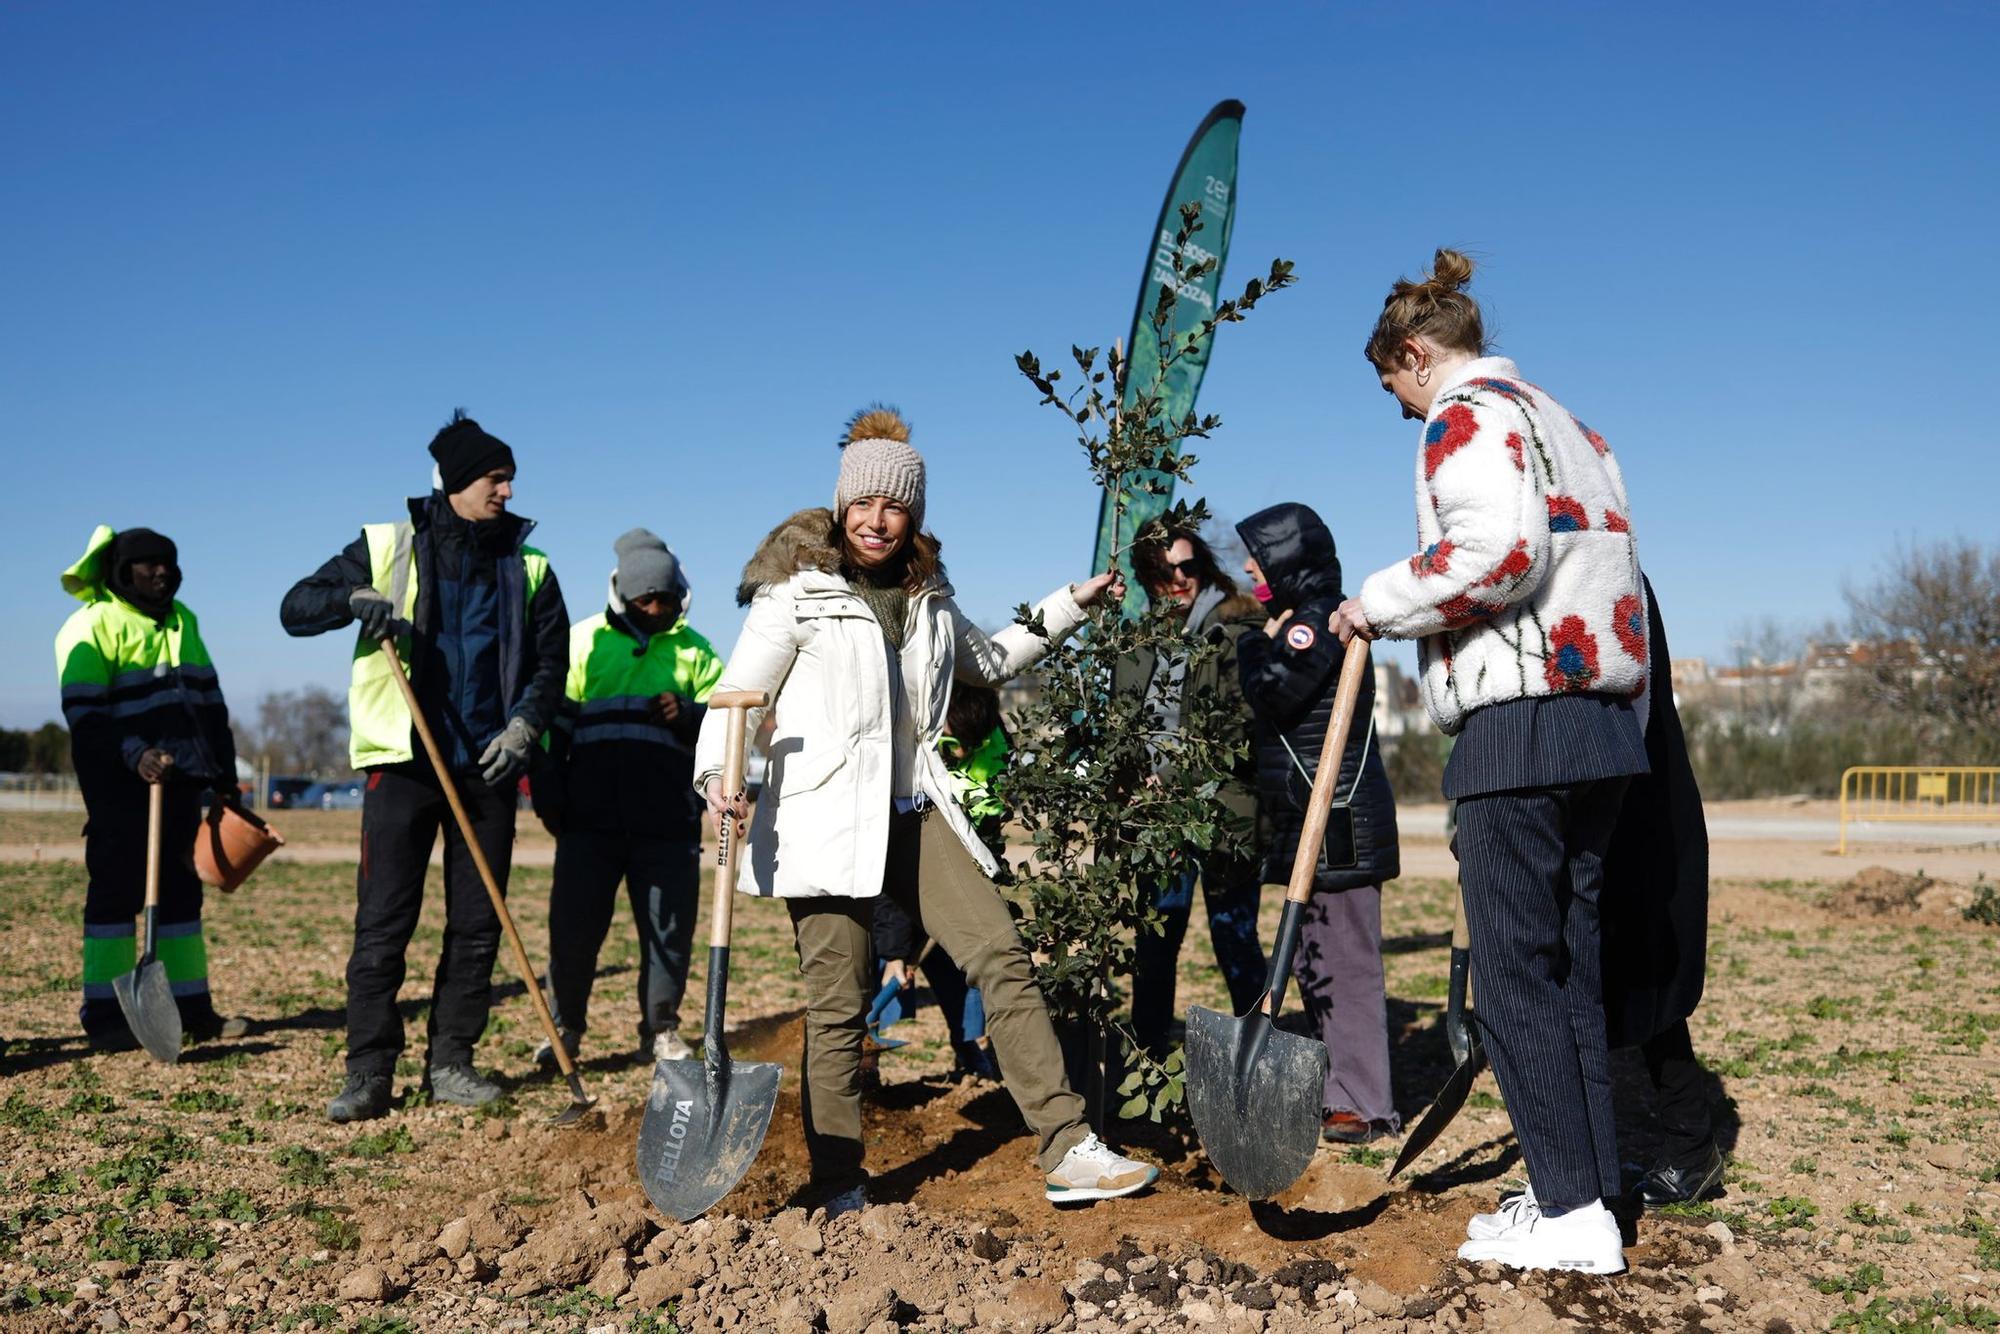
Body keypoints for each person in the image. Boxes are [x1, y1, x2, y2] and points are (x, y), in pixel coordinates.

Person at [693, 406, 1157, 1213]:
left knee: (1001, 955)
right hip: (825, 816)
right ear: (842, 507)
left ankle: (1067, 1147)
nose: (878, 521)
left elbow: (992, 660)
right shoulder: (797, 597)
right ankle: (838, 1181)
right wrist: (714, 779)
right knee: (838, 1008)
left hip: (913, 809)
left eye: (895, 506)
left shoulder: (932, 597)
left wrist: (1071, 604)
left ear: (915, 515)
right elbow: (734, 701)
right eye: (864, 504)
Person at [1332, 249, 1649, 1274]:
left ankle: (1566, 1213)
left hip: (1518, 722)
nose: (1399, 406)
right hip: (1599, 722)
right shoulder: (1569, 422)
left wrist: (1372, 604)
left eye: (1394, 385)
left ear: (1415, 353)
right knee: (1569, 970)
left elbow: (1497, 554)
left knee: (1512, 976)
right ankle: (1587, 1189)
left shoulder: (1464, 415)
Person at [281, 411, 568, 1122]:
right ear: (457, 482)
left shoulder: (530, 565)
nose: (506, 491)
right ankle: (370, 1071)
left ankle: (452, 1063)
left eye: (509, 479)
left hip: (488, 768)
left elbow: (550, 662)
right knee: (383, 922)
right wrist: (352, 600)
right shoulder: (386, 546)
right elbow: (296, 607)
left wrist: (526, 726)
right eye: (495, 479)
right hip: (403, 762)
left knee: (478, 924)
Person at [1232, 503, 1401, 1144]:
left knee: (1345, 963)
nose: (1248, 565)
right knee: (1315, 961)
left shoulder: (1316, 623)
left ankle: (1364, 1101)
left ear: (1288, 561)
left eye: (1259, 555)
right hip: (1308, 816)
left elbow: (1272, 690)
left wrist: (1253, 642)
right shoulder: (1305, 618)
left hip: (1337, 819)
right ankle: (1342, 1090)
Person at [533, 528, 723, 1067]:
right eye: (646, 598)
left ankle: (659, 1030)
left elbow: (732, 723)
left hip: (667, 823)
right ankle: (564, 1030)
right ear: (623, 593)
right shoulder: (582, 643)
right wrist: (550, 794)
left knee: (668, 935)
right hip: (588, 823)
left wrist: (691, 715)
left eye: (665, 598)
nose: (656, 607)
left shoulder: (696, 651)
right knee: (573, 931)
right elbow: (551, 729)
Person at [57, 525, 248, 1050]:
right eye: (147, 564)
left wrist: (224, 777)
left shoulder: (184, 621)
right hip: (120, 788)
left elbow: (211, 705)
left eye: (168, 562)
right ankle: (106, 1015)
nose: (161, 572)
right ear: (121, 571)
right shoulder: (91, 625)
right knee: (115, 898)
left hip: (183, 785)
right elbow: (84, 713)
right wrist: (135, 755)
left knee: (183, 898)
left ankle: (193, 1010)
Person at [1113, 528, 1266, 1059]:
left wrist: (1175, 778)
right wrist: (1131, 780)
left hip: (1225, 811)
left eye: (1186, 566)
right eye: (1163, 570)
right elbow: (1120, 726)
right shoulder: (1134, 642)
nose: (1177, 579)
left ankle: (1260, 1055)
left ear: (1202, 566)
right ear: (1147, 580)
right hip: (1157, 819)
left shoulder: (1235, 628)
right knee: (1155, 943)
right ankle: (1148, 1057)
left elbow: (1242, 725)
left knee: (1234, 939)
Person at [1602, 577, 1722, 1205]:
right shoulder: (1609, 560)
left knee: (1645, 987)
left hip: (1636, 798)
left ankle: (1689, 1147)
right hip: (1623, 786)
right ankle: (1594, 1155)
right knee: (1618, 984)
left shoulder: (1608, 571)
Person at [868, 684, 1008, 1079]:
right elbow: (891, 868)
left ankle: (968, 1048)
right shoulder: (906, 747)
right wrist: (897, 952)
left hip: (960, 867)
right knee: (876, 961)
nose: (960, 753)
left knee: (962, 965)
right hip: (893, 865)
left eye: (968, 744)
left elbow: (990, 824)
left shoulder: (996, 747)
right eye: (952, 743)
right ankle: (865, 1061)